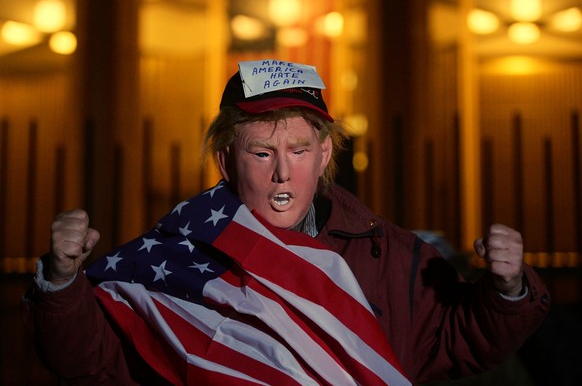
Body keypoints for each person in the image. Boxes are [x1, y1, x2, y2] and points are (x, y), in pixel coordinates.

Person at [22, 60, 550, 386]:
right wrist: (64, 281)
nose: (282, 172)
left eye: (298, 149)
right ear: (227, 162)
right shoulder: (175, 256)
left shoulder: (390, 254)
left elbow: (461, 341)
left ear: (324, 155)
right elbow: (92, 362)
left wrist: (506, 289)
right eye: (261, 152)